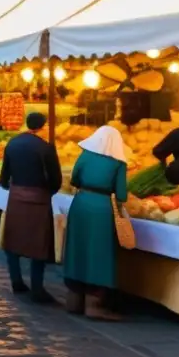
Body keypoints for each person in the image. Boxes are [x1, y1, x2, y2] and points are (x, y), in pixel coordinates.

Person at [63, 125, 129, 320]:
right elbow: (122, 193)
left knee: (77, 247)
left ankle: (73, 300)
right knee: (99, 252)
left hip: (80, 204)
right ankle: (94, 304)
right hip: (102, 208)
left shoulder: (85, 155)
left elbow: (74, 179)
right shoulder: (118, 163)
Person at [0, 112, 62, 303]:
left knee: (13, 239)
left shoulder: (12, 144)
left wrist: (12, 186)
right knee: (39, 243)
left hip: (16, 195)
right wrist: (48, 191)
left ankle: (16, 280)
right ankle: (37, 288)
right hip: (39, 197)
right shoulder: (46, 148)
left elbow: (4, 176)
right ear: (43, 126)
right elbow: (56, 179)